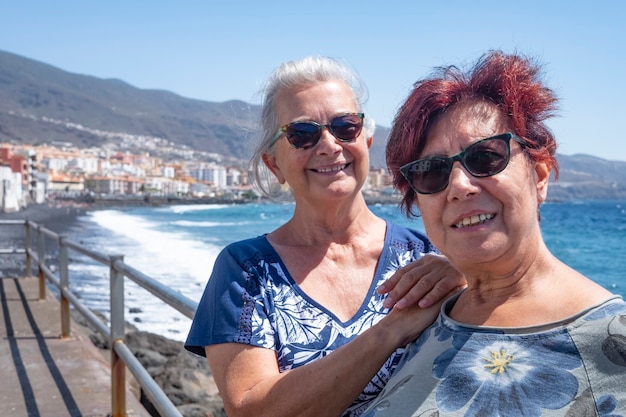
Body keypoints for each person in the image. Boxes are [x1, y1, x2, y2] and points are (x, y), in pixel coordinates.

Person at [184, 56, 466, 417]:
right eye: (302, 133)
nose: (329, 145)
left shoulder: (430, 256)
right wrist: (389, 331)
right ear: (275, 164)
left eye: (344, 126)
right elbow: (251, 410)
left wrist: (470, 275)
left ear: (365, 140)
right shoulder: (245, 271)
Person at [362, 50, 626, 417]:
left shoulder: (612, 344)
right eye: (430, 172)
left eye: (485, 158)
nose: (458, 186)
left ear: (540, 175)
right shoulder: (423, 321)